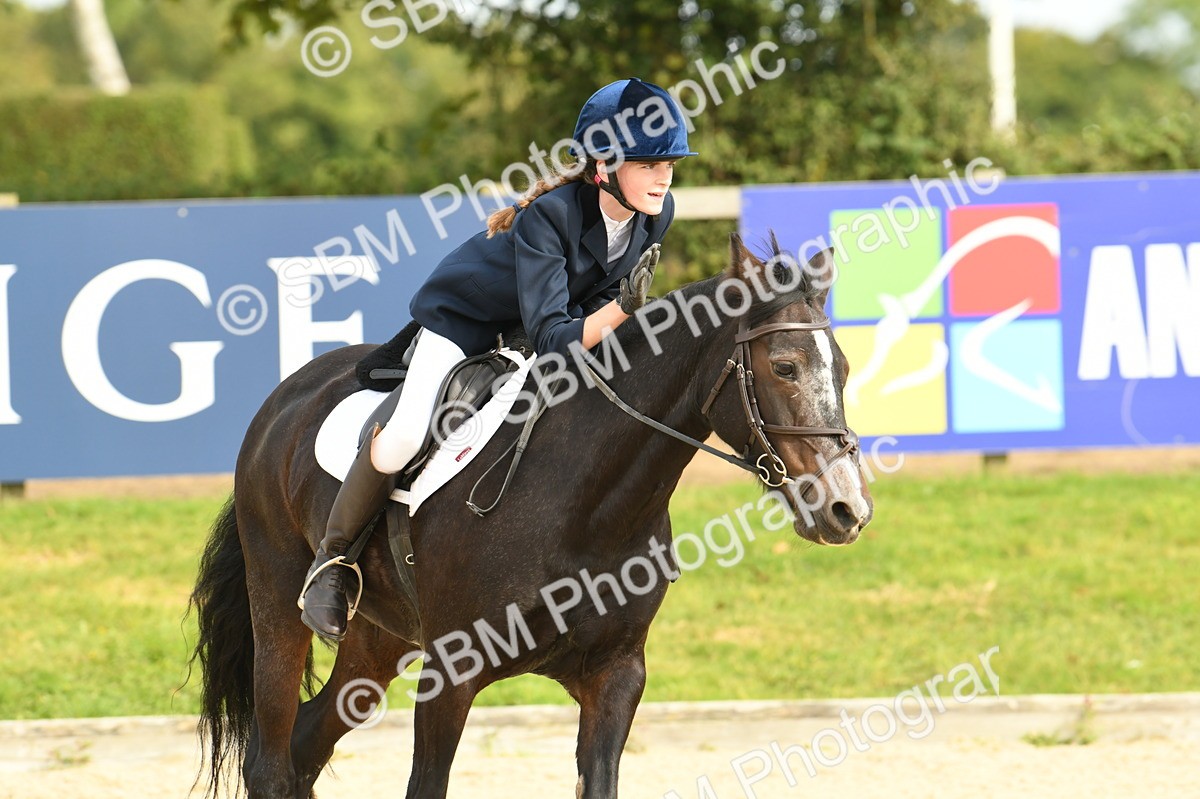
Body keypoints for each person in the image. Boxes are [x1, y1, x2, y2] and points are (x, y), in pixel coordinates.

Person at [298, 77, 697, 641]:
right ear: (604, 166)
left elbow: (588, 317)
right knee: (409, 434)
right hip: (467, 325)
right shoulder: (551, 217)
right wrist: (621, 313)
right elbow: (556, 336)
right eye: (649, 163)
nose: (664, 176)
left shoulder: (657, 210)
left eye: (670, 164)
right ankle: (331, 565)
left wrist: (623, 318)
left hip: (547, 330)